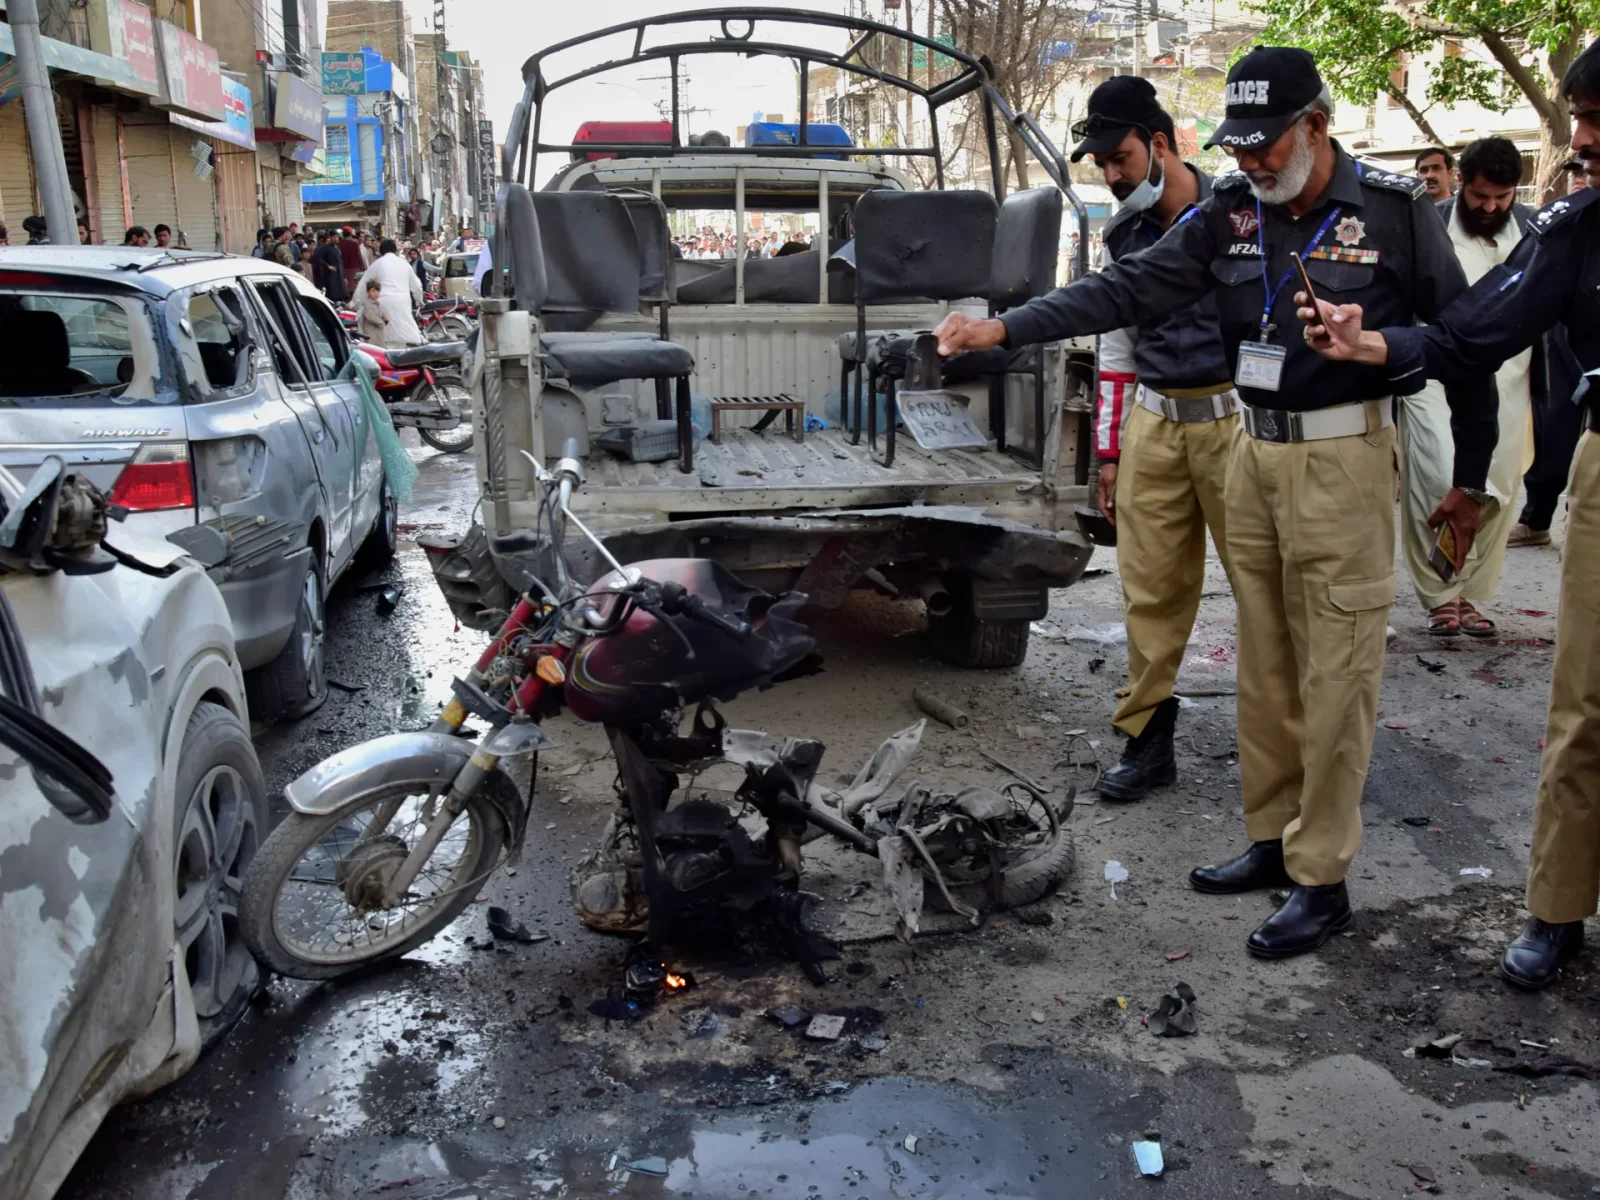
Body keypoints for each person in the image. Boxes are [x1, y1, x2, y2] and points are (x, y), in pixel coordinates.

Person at [934, 46, 1496, 959]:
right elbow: (1127, 287)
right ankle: (1273, 842)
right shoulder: (1234, 212)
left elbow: (1466, 345)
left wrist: (1467, 478)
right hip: (1251, 453)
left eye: (1269, 145)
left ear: (1316, 126)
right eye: (1240, 147)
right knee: (1266, 663)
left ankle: (1324, 879)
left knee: (1337, 673)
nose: (1253, 163)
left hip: (1345, 458)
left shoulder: (1392, 213)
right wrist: (1007, 325)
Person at [1301, 36, 1600, 991]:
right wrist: (1375, 345)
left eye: (1598, 125)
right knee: (1585, 707)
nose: (1583, 142)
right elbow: (1471, 335)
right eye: (1582, 123)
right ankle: (1557, 912)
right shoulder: (1576, 229)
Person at [1064, 75, 1242, 802]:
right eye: (1102, 163)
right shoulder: (1124, 235)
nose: (1111, 175)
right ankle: (1148, 741)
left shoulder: (1243, 214)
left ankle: (1282, 749)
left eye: (1122, 158)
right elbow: (1116, 349)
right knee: (1149, 594)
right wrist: (1109, 455)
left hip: (1239, 422)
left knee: (1266, 591)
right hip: (1157, 422)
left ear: (1161, 145)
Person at [1399, 137, 1540, 637]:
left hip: (1511, 377)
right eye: (1481, 196)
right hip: (1436, 376)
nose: (1490, 207)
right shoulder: (1429, 222)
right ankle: (1442, 595)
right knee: (1441, 475)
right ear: (1462, 181)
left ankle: (1472, 594)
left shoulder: (1530, 229)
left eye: (1502, 198)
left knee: (1497, 489)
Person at [1510, 158, 1591, 549]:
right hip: (1562, 334)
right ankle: (1537, 518)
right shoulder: (1563, 222)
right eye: (1575, 171)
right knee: (1555, 424)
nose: (1579, 177)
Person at [356, 237, 424, 347]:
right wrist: (418, 301)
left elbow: (363, 286)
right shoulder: (404, 264)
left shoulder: (377, 264)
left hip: (382, 303)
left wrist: (355, 304)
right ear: (395, 250)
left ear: (380, 251)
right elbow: (417, 286)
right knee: (401, 337)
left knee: (384, 338)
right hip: (402, 302)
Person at [314, 232, 349, 302]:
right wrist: (328, 266)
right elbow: (318, 258)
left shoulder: (338, 248)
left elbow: (340, 262)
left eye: (337, 237)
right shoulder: (326, 248)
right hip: (330, 274)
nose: (335, 239)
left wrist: (344, 276)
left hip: (339, 273)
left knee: (342, 295)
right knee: (332, 294)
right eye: (333, 237)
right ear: (330, 238)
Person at [340, 227, 366, 295]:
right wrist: (363, 266)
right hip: (355, 268)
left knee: (346, 286)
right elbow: (359, 256)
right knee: (355, 286)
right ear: (350, 235)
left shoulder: (339, 244)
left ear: (343, 235)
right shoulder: (355, 244)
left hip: (343, 268)